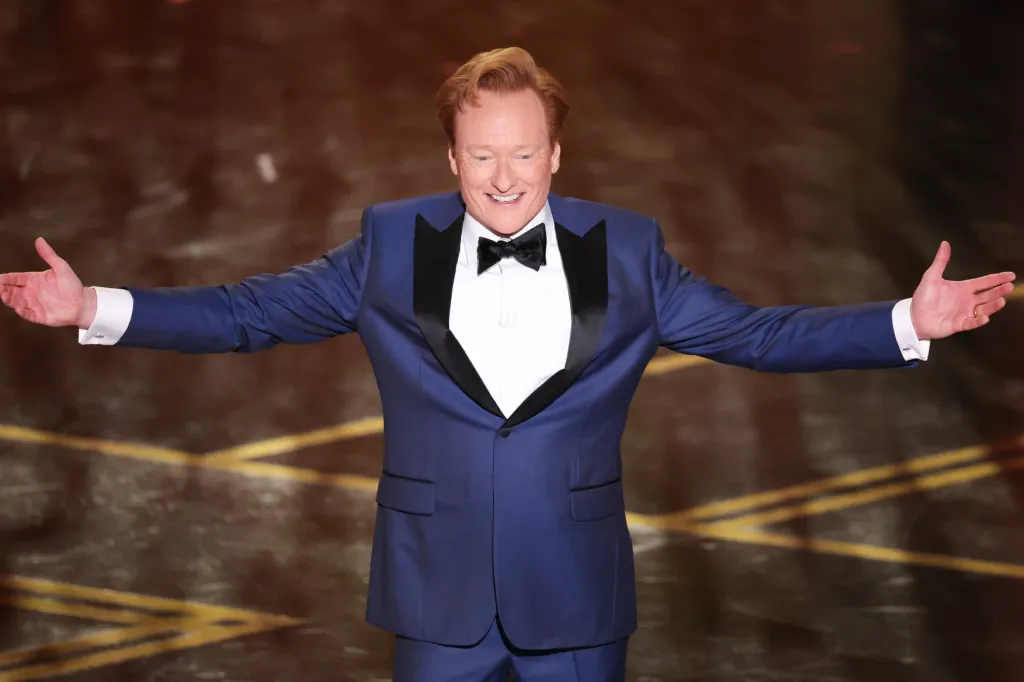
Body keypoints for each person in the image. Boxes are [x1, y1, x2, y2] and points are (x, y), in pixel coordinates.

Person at [0, 46, 1015, 682]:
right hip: (436, 598)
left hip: (574, 597)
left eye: (523, 154)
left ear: (557, 155)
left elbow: (755, 334)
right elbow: (246, 312)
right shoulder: (388, 245)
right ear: (449, 158)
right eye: (481, 155)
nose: (502, 178)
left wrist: (901, 321)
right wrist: (96, 305)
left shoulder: (629, 250)